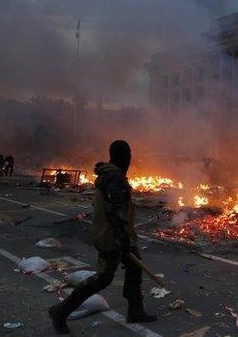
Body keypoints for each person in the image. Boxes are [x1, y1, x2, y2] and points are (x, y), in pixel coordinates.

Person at [49, 140, 156, 334]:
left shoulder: (111, 175)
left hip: (119, 235)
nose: (130, 157)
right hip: (113, 237)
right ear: (122, 156)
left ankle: (135, 310)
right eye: (128, 153)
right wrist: (123, 240)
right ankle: (61, 312)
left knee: (134, 267)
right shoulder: (114, 178)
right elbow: (114, 212)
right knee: (103, 278)